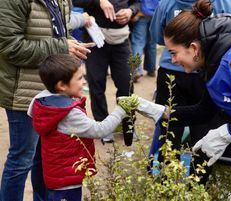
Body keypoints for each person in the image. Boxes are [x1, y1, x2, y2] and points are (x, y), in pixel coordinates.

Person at [119, 0, 231, 200]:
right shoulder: (214, 61)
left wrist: (226, 134)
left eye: (174, 52)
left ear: (194, 48)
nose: (173, 60)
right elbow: (203, 111)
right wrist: (159, 111)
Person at [0, 0, 92, 200]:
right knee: (21, 160)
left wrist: (72, 46)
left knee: (44, 158)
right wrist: (61, 46)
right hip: (24, 93)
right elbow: (9, 46)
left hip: (52, 93)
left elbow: (60, 33)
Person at [149, 0, 231, 183]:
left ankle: (165, 183)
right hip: (204, 71)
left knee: (170, 130)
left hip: (178, 72)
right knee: (202, 133)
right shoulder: (223, 3)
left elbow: (158, 35)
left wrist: (177, 46)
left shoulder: (167, 3)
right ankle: (196, 185)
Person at [27, 54, 127, 201]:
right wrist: (121, 110)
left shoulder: (40, 100)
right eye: (80, 78)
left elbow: (30, 113)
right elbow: (100, 130)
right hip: (68, 181)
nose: (84, 82)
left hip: (55, 176)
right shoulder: (68, 113)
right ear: (62, 85)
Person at [73, 0, 140, 143]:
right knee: (96, 84)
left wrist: (131, 11)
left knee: (126, 85)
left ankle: (128, 127)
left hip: (121, 40)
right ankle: (103, 128)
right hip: (95, 37)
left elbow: (137, 3)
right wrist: (100, 1)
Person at [130, 0, 159, 81]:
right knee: (152, 43)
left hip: (141, 12)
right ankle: (151, 69)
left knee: (138, 42)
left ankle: (136, 70)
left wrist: (135, 12)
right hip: (156, 12)